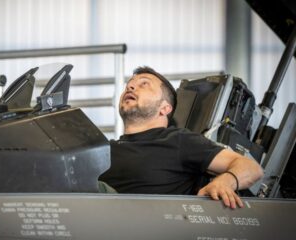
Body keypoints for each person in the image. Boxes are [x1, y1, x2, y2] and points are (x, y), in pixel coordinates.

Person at [99, 66, 263, 209]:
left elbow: (250, 168)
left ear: (164, 108)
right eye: (129, 85)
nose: (131, 87)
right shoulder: (103, 150)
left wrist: (224, 182)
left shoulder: (177, 141)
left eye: (144, 84)